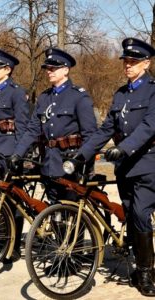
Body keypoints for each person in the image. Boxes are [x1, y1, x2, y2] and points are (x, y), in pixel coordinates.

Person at [74, 38, 155, 297]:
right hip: (125, 167)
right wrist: (82, 154)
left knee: (141, 214)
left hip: (147, 164)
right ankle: (135, 261)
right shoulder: (121, 94)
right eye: (126, 61)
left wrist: (125, 147)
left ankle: (145, 271)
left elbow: (149, 127)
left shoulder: (154, 90)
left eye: (133, 61)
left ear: (146, 63)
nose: (128, 66)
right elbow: (106, 129)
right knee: (130, 213)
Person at [10, 47, 97, 202]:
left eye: (53, 68)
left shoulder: (78, 96)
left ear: (65, 70)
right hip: (49, 163)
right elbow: (32, 130)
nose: (49, 71)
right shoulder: (44, 98)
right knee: (53, 211)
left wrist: (84, 164)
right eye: (48, 68)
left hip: (70, 164)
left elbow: (90, 134)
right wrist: (18, 153)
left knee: (70, 214)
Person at [0, 49, 30, 262]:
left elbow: (23, 125)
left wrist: (18, 153)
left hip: (9, 151)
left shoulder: (16, 92)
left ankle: (14, 246)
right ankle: (0, 243)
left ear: (8, 70)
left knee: (12, 200)